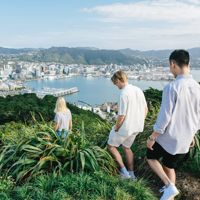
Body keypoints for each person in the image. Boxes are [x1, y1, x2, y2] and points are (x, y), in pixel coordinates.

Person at [146, 49, 200, 200]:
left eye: (170, 66)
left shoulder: (172, 87)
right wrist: (193, 135)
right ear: (188, 63)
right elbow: (198, 116)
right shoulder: (197, 87)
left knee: (150, 156)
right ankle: (170, 194)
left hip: (169, 136)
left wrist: (153, 137)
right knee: (169, 166)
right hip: (186, 138)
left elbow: (164, 117)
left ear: (173, 64)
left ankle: (169, 186)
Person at [107, 70, 148, 179]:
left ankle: (124, 172)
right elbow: (146, 109)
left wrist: (116, 128)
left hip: (125, 127)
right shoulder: (138, 90)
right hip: (137, 127)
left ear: (119, 80)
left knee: (111, 146)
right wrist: (139, 121)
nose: (116, 86)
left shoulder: (124, 94)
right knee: (127, 148)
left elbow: (122, 116)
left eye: (115, 83)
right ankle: (132, 173)